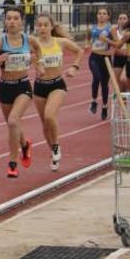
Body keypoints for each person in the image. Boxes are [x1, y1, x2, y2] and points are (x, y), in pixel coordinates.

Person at [0, 7, 41, 178]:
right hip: (5, 87)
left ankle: (12, 163)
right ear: (5, 21)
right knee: (12, 124)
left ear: (22, 21)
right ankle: (25, 144)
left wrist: (39, 63)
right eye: (9, 18)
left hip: (23, 86)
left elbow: (39, 52)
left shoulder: (29, 40)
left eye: (16, 18)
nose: (12, 21)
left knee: (14, 121)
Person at [33, 14, 83, 171]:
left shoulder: (60, 42)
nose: (42, 28)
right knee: (45, 124)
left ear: (51, 27)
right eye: (39, 25)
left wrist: (75, 66)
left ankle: (56, 146)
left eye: (45, 25)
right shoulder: (33, 44)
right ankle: (54, 149)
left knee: (49, 116)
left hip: (57, 84)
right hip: (40, 86)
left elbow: (79, 51)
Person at [85, 8, 113, 120]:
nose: (101, 16)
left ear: (108, 17)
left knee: (104, 83)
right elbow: (87, 37)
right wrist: (87, 44)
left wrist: (107, 40)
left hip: (106, 58)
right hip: (94, 57)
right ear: (97, 16)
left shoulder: (111, 29)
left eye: (104, 14)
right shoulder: (92, 29)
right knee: (96, 77)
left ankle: (105, 107)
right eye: (99, 14)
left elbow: (116, 43)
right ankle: (94, 101)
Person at [109, 12, 130, 91]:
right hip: (118, 58)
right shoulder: (114, 30)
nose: (122, 20)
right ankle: (121, 100)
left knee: (124, 79)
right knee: (118, 82)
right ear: (117, 20)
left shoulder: (129, 32)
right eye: (120, 18)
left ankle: (128, 98)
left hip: (128, 58)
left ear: (128, 20)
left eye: (124, 18)